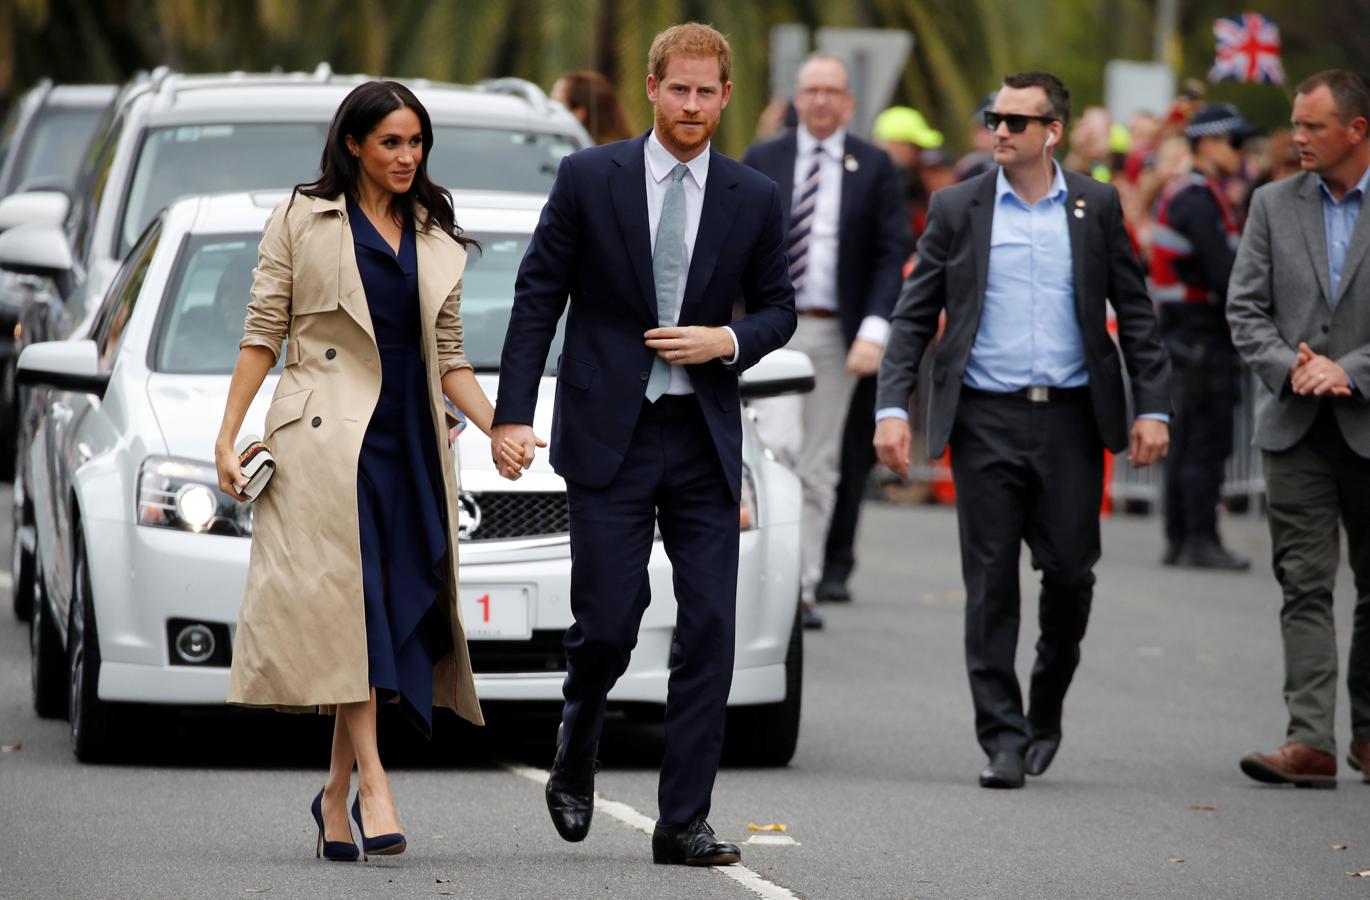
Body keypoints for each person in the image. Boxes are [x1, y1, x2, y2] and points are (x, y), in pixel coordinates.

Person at [492, 23, 796, 865]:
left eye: (707, 92)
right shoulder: (590, 177)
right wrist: (512, 414)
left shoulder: (752, 195)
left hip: (702, 437)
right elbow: (537, 295)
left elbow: (778, 308)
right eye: (679, 89)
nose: (692, 105)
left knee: (710, 626)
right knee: (608, 623)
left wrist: (725, 341)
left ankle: (682, 821)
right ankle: (577, 738)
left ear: (726, 97)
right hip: (608, 437)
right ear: (654, 88)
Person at [214, 81, 526, 861]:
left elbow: (448, 355)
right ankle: (376, 784)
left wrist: (499, 427)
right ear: (353, 144)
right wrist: (227, 436)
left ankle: (332, 794)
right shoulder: (302, 217)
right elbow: (263, 334)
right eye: (391, 142)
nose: (407, 156)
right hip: (325, 444)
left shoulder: (432, 227)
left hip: (410, 439)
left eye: (416, 142)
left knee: (382, 607)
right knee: (352, 609)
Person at [874, 71, 1172, 790]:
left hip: (1072, 418)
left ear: (1053, 132)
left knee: (1070, 574)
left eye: (1016, 121)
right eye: (994, 118)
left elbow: (1135, 311)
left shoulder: (1096, 206)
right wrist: (891, 408)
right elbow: (914, 314)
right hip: (985, 416)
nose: (1000, 131)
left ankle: (1045, 703)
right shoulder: (958, 206)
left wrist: (1153, 408)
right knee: (989, 582)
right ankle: (1002, 736)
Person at [1229, 70, 1370, 789]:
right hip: (1295, 427)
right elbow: (1244, 310)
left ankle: (1369, 736)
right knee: (1304, 584)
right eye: (1295, 123)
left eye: (1313, 126)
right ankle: (1310, 740)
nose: (1297, 137)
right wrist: (1295, 369)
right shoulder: (1271, 203)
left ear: (1357, 130)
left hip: (1367, 420)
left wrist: (1350, 370)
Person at [741, 54, 910, 624]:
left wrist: (875, 331)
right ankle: (756, 583)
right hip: (770, 326)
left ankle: (801, 589)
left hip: (838, 334)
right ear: (797, 98)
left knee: (819, 463)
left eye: (831, 91)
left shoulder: (875, 165)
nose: (820, 100)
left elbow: (891, 252)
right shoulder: (764, 158)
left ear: (848, 102)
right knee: (776, 446)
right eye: (811, 90)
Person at [1149, 104, 1257, 570]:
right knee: (1204, 444)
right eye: (1235, 143)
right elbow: (1225, 275)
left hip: (1188, 338)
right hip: (1199, 340)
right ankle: (1198, 538)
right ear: (1209, 144)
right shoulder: (1197, 200)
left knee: (1188, 442)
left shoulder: (1197, 194)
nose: (1241, 153)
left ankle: (1181, 538)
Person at [550, 70, 636, 145]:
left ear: (579, 114)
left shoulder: (568, 152)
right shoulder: (631, 150)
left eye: (556, 106)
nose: (549, 110)